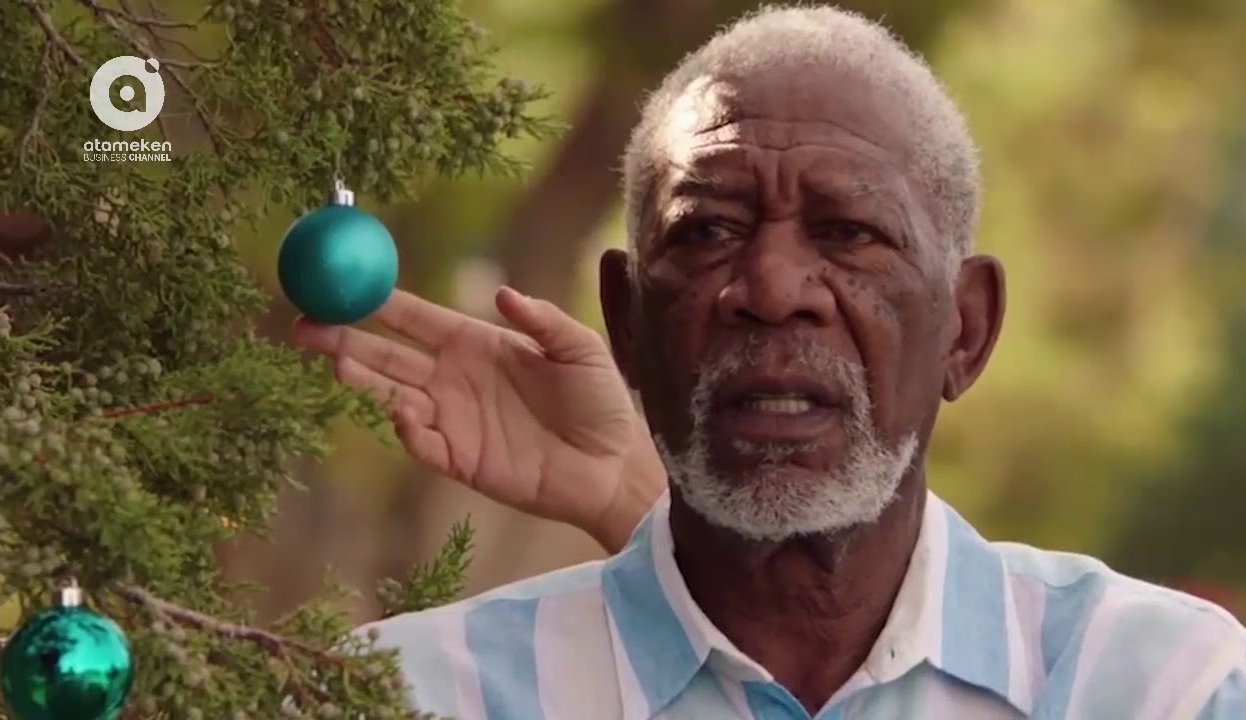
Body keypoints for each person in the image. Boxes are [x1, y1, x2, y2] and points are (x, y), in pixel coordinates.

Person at [292, 5, 1246, 719]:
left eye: (850, 232)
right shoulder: (416, 696)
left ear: (965, 328)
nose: (773, 287)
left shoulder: (1160, 685)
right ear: (627, 321)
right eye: (708, 230)